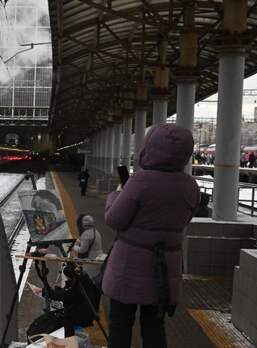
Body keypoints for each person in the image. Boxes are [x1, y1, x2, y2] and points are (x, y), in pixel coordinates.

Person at [102, 124, 200, 348]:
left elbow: (114, 220)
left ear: (150, 148)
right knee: (155, 327)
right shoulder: (190, 186)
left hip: (128, 267)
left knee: (120, 325)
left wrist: (116, 194)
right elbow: (185, 221)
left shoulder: (139, 181)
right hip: (165, 271)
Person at [73, 214, 103, 281]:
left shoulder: (86, 234)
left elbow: (83, 250)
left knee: (89, 279)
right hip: (98, 258)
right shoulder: (96, 231)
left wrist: (74, 246)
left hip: (90, 261)